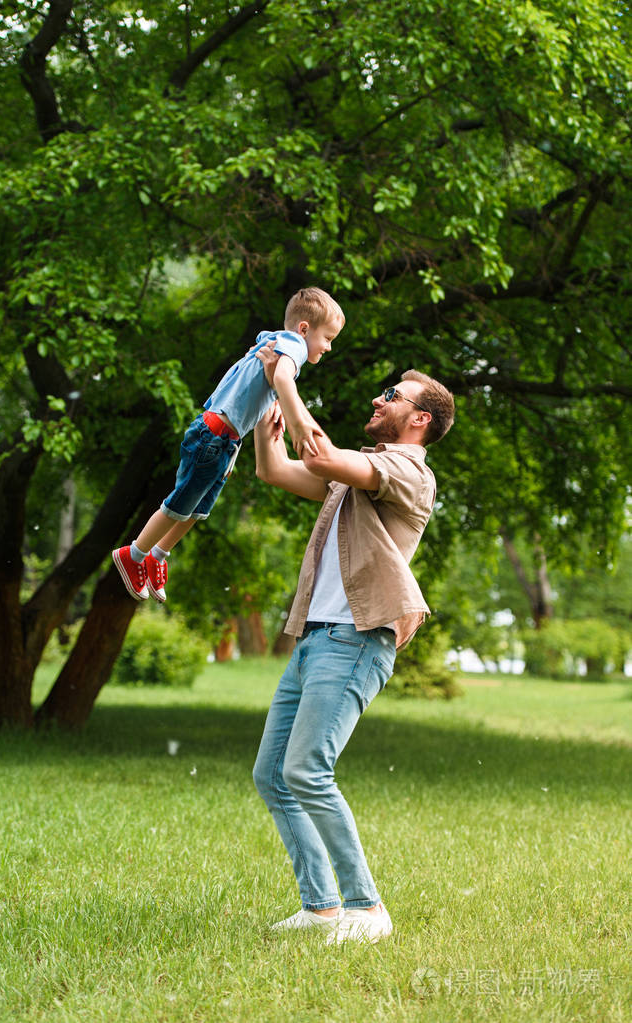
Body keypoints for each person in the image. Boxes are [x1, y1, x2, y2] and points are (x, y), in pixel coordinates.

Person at [252, 353, 455, 944]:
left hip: (357, 640)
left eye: (392, 393)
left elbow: (317, 455)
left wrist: (285, 380)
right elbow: (283, 471)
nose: (378, 398)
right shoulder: (359, 469)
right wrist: (269, 425)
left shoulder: (410, 474)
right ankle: (320, 908)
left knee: (306, 769)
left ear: (419, 419)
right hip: (316, 639)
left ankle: (367, 910)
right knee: (274, 775)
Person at [112, 287, 344, 601]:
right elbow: (284, 378)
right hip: (214, 436)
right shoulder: (294, 344)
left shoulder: (272, 344)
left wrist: (271, 403)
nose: (329, 347)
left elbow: (263, 383)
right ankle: (134, 555)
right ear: (304, 329)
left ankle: (157, 555)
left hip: (225, 442)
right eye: (328, 338)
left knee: (197, 510)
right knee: (179, 504)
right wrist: (298, 423)